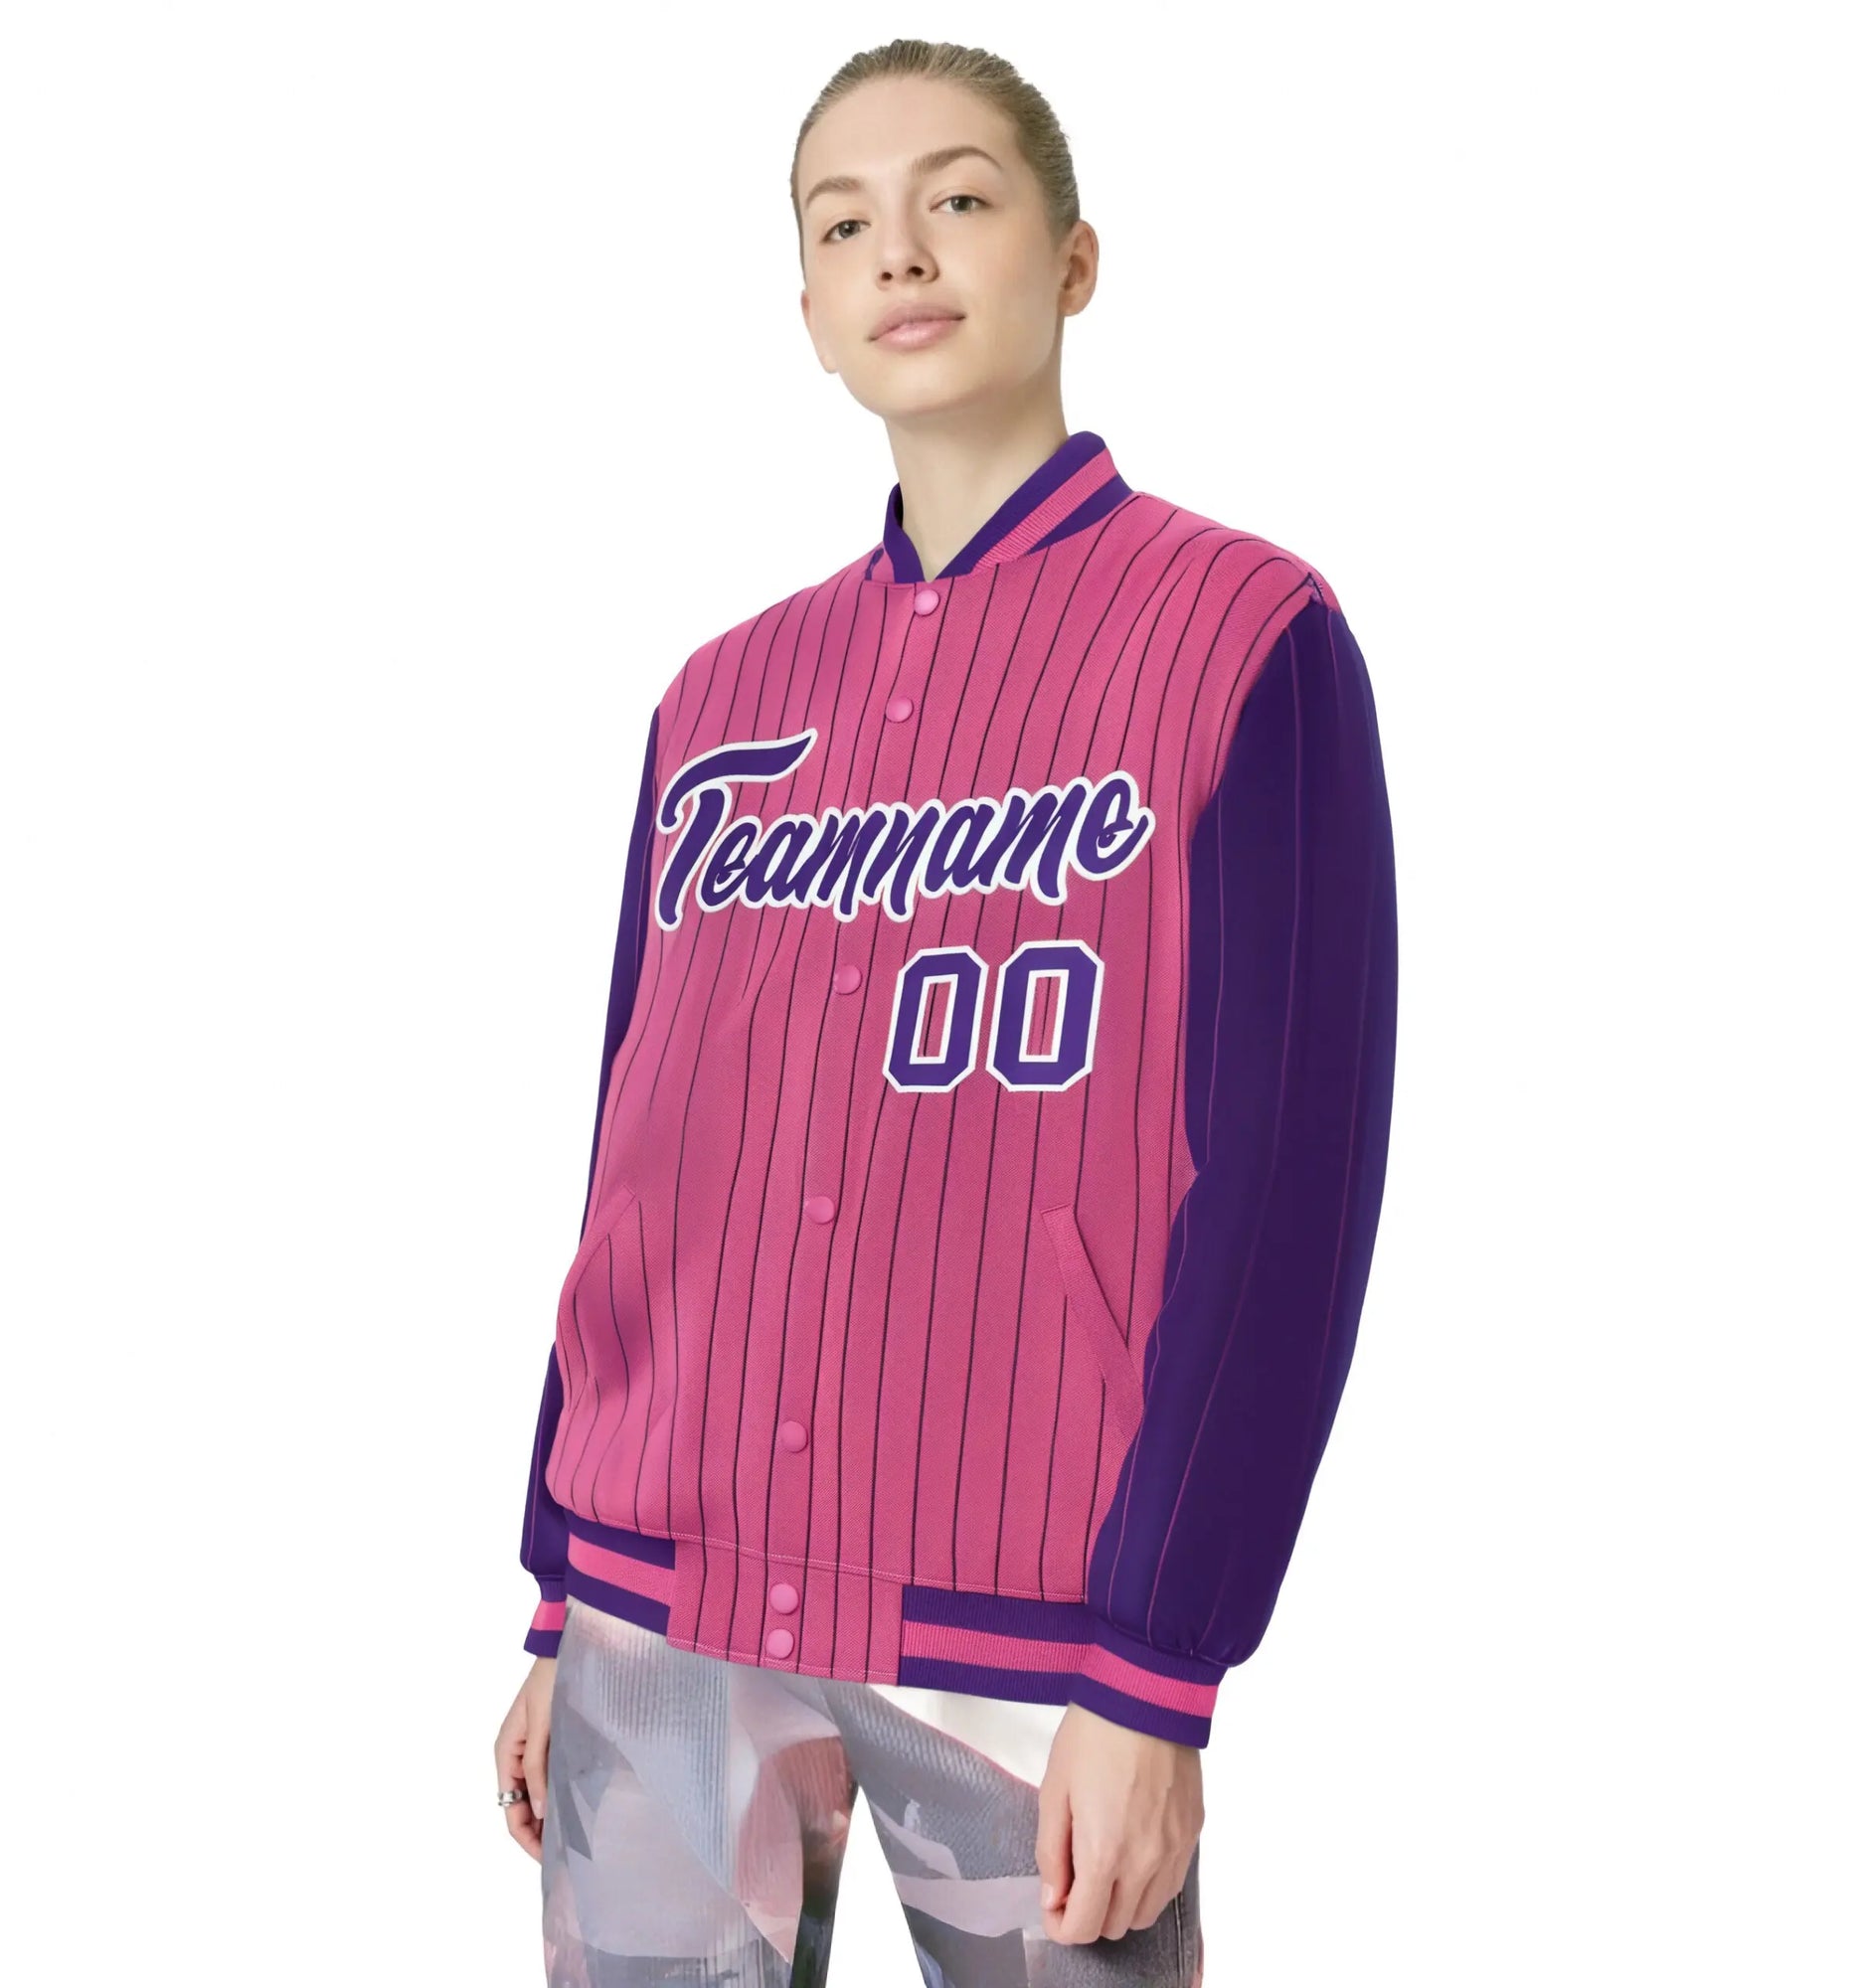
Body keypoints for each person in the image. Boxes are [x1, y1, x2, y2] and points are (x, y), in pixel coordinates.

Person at [492, 36, 1398, 1987]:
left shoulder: (1241, 637)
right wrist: (562, 1597)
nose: (898, 252)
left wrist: (1162, 1668)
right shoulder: (719, 698)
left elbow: (1287, 1194)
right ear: (809, 308)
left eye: (958, 199)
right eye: (843, 223)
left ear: (1073, 259)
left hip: (1035, 1646)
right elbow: (636, 1164)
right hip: (665, 1614)